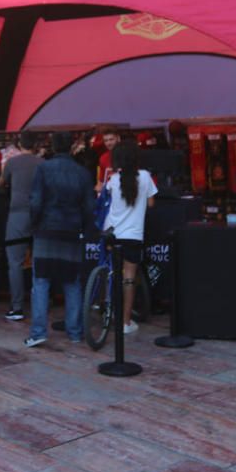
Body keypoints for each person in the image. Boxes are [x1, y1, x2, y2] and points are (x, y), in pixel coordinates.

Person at [25, 131, 95, 347]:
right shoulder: (82, 173)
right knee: (72, 283)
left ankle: (38, 332)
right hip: (72, 231)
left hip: (46, 230)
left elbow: (36, 201)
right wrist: (84, 228)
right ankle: (74, 332)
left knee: (41, 282)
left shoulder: (43, 169)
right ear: (71, 147)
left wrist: (35, 224)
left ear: (53, 147)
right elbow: (89, 207)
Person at [102, 142, 157, 335]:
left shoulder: (113, 180)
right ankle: (125, 322)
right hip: (133, 235)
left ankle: (108, 311)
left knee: (113, 273)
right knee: (129, 278)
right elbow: (151, 203)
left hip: (112, 234)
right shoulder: (145, 177)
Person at [0, 131, 43, 321]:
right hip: (40, 214)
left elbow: (2, 182)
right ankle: (41, 303)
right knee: (40, 260)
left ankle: (17, 307)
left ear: (19, 144)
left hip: (17, 213)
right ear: (35, 145)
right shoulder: (43, 164)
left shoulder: (12, 163)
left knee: (15, 261)